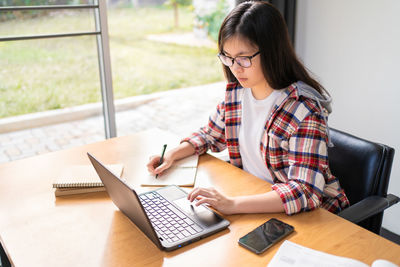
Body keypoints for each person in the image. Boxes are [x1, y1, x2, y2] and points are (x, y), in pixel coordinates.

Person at [147, 1, 349, 216]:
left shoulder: (303, 110)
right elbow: (210, 135)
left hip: (311, 215)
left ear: (271, 51)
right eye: (228, 58)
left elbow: (304, 191)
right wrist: (172, 155)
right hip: (256, 197)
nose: (235, 68)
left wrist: (232, 205)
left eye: (243, 59)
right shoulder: (238, 92)